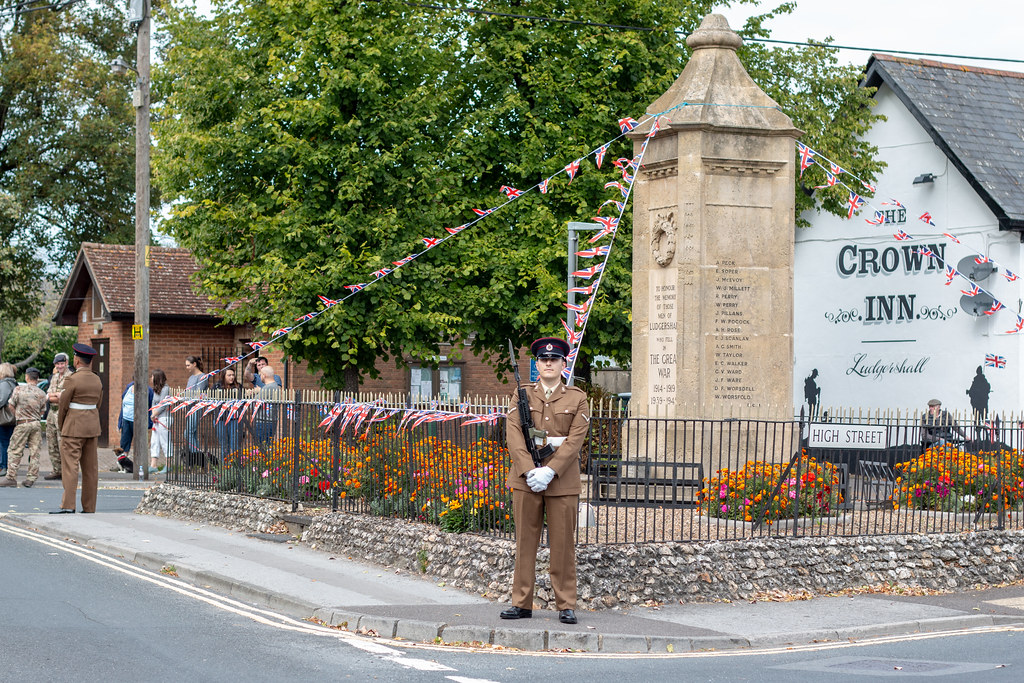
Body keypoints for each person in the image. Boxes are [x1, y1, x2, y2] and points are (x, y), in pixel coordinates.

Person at [501, 337, 590, 625]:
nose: (549, 363)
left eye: (554, 359)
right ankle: (521, 603)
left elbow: (576, 439)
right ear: (537, 364)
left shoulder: (577, 397)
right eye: (543, 359)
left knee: (563, 545)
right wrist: (529, 471)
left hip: (561, 481)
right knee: (525, 542)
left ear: (564, 364)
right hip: (526, 480)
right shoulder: (521, 394)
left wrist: (550, 471)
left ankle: (565, 604)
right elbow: (513, 435)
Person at [52, 343, 103, 514]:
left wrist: (61, 426)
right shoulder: (97, 379)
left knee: (70, 467)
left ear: (77, 360)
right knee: (90, 469)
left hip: (73, 428)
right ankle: (89, 507)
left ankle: (68, 505)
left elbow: (63, 406)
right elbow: (98, 404)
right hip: (92, 427)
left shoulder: (72, 379)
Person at [0, 367, 48, 487]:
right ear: (37, 378)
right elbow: (43, 411)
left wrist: (18, 415)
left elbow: (10, 405)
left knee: (14, 450)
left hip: (22, 423)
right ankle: (31, 478)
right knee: (34, 451)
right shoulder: (42, 393)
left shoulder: (19, 389)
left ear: (27, 377)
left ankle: (11, 477)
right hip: (36, 423)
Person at [43, 352, 73, 480]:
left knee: (63, 443)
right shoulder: (54, 377)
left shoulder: (71, 377)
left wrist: (54, 396)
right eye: (57, 364)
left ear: (66, 363)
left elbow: (65, 397)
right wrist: (55, 395)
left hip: (63, 413)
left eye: (62, 363)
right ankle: (57, 470)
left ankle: (66, 471)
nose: (60, 366)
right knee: (52, 442)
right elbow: (48, 395)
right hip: (52, 413)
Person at [114, 380, 154, 472]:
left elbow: (150, 406)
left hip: (138, 421)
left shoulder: (148, 390)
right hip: (126, 419)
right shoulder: (129, 388)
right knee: (124, 442)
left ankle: (139, 466)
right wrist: (120, 422)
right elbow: (123, 405)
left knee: (140, 444)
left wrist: (149, 423)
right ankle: (122, 464)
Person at [213, 367, 242, 459]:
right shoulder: (217, 387)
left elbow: (243, 401)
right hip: (221, 418)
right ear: (223, 376)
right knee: (224, 445)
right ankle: (224, 469)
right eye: (229, 375)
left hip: (234, 419)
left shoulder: (238, 386)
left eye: (233, 375)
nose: (232, 377)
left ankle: (235, 467)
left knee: (234, 444)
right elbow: (211, 401)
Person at [184, 355, 208, 453]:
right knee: (192, 433)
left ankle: (195, 454)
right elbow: (187, 392)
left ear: (194, 364)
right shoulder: (191, 378)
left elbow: (198, 394)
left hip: (197, 407)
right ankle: (198, 456)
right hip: (189, 407)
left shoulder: (202, 377)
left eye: (188, 365)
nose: (187, 368)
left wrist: (188, 397)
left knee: (188, 433)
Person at [251, 365, 280, 450]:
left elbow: (253, 404)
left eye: (260, 375)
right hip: (271, 420)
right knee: (267, 446)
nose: (260, 377)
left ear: (264, 375)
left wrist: (256, 392)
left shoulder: (268, 388)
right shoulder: (275, 386)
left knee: (261, 447)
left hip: (263, 421)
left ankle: (263, 462)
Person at [150, 369, 172, 472]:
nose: (151, 378)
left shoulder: (166, 389)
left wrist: (154, 414)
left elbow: (163, 404)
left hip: (164, 418)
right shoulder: (156, 389)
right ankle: (153, 465)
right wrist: (153, 414)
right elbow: (154, 403)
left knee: (165, 441)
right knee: (154, 441)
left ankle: (168, 465)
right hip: (156, 418)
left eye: (153, 376)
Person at [0, 362, 17, 478]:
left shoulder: (4, 384)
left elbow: (1, 400)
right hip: (11, 417)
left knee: (4, 442)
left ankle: (4, 466)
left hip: (4, 418)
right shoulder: (13, 383)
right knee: (8, 442)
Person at [966, 366, 991, 440]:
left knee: (982, 420)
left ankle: (986, 436)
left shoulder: (981, 381)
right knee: (979, 420)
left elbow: (986, 389)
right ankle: (980, 437)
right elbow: (972, 391)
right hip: (978, 404)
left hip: (981, 404)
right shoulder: (978, 380)